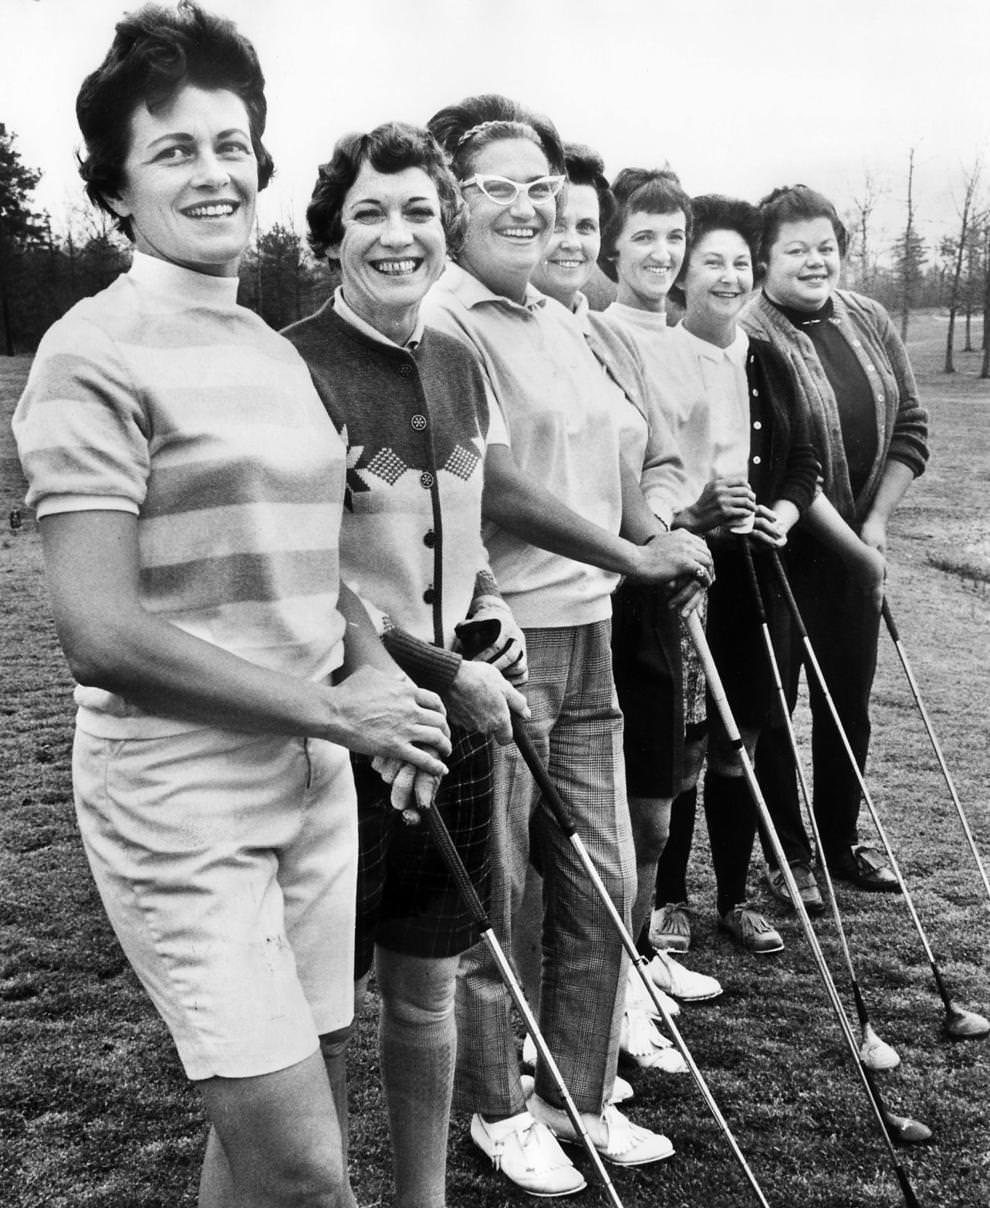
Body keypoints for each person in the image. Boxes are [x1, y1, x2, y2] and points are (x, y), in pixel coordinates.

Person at [11, 8, 451, 1208]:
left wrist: (373, 673)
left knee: (269, 1142)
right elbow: (99, 632)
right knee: (311, 1174)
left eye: (232, 142)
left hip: (311, 779)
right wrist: (339, 709)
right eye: (175, 151)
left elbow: (319, 572)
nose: (215, 172)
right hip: (177, 795)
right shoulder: (88, 352)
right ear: (114, 189)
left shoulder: (266, 346)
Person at [422, 95, 713, 1196]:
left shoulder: (563, 314)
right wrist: (630, 554)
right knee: (498, 898)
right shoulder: (447, 322)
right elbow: (494, 483)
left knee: (603, 880)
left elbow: (623, 458)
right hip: (504, 640)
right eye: (498, 185)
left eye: (540, 186)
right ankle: (500, 1108)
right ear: (454, 199)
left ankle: (574, 1095)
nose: (527, 205)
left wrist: (660, 533)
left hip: (590, 632)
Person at [281, 121, 529, 1208]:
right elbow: (298, 576)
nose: (397, 235)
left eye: (419, 210)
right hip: (343, 734)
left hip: (456, 720)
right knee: (324, 1008)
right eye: (370, 213)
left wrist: (493, 600)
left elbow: (461, 526)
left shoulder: (464, 356)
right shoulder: (291, 365)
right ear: (331, 235)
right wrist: (443, 664)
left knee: (425, 992)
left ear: (449, 222)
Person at [530, 145, 722, 1032]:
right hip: (555, 604)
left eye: (580, 222)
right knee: (552, 848)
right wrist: (641, 544)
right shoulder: (513, 327)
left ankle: (620, 983)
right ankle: (573, 1017)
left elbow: (656, 460)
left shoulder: (600, 335)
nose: (567, 237)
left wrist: (664, 525)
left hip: (618, 592)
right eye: (556, 220)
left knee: (635, 818)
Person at [622, 194, 820, 952]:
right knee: (688, 744)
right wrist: (692, 516)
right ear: (683, 274)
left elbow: (802, 459)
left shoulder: (769, 356)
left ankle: (735, 898)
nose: (730, 276)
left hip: (758, 570)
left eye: (742, 262)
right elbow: (647, 475)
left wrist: (788, 515)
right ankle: (669, 898)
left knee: (747, 740)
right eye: (714, 261)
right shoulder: (657, 353)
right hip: (690, 572)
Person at [742, 185, 929, 900]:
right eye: (796, 249)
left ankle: (841, 840)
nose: (815, 261)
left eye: (826, 248)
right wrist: (854, 548)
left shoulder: (869, 318)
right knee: (775, 706)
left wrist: (875, 527)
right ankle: (788, 855)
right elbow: (792, 458)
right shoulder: (754, 332)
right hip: (784, 551)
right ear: (764, 257)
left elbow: (910, 425)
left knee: (847, 702)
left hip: (859, 552)